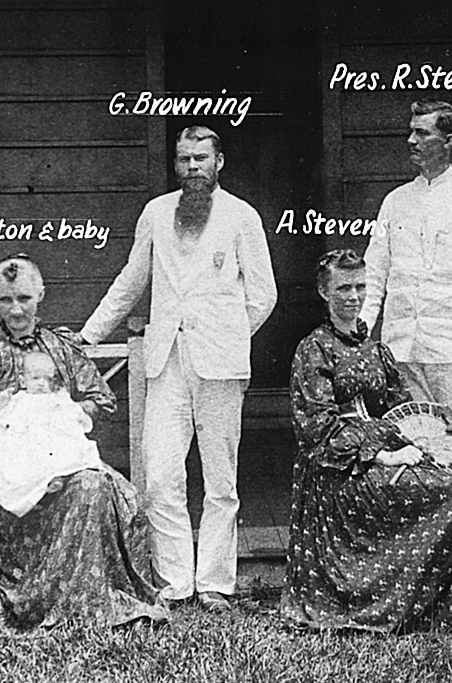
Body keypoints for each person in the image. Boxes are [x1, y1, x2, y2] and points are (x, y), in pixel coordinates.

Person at [79, 126, 277, 611]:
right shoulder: (157, 214)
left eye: (201, 159)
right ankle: (173, 579)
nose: (192, 168)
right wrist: (88, 335)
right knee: (160, 473)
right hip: (165, 360)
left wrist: (225, 336)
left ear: (219, 162)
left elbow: (264, 296)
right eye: (184, 159)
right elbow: (132, 280)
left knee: (219, 479)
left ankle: (213, 582)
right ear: (175, 164)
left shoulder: (241, 217)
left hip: (220, 365)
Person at [283, 249, 452, 632]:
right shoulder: (314, 348)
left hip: (383, 455)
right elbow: (318, 429)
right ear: (324, 292)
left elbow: (401, 407)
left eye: (359, 287)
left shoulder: (376, 350)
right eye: (343, 288)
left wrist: (439, 423)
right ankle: (435, 606)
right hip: (339, 472)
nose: (353, 297)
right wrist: (383, 456)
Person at [0, 255, 167, 629]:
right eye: (6, 300)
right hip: (7, 478)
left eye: (24, 299)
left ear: (41, 295)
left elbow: (101, 398)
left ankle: (91, 602)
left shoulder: (59, 347)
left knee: (101, 488)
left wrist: (63, 411)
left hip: (60, 460)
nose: (16, 310)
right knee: (85, 491)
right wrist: (7, 416)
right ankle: (48, 607)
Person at [359, 100, 452, 490]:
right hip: (401, 352)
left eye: (421, 133)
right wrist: (361, 337)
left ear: (448, 140)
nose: (411, 140)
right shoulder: (395, 202)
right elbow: (374, 275)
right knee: (409, 449)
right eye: (410, 131)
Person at [0, 351, 102, 517]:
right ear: (23, 380)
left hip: (53, 442)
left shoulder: (57, 398)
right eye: (35, 379)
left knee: (67, 455)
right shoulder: (18, 400)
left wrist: (79, 417)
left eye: (47, 379)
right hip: (29, 446)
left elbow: (74, 414)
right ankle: (39, 491)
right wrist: (2, 403)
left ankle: (58, 479)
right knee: (29, 466)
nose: (41, 384)